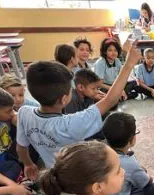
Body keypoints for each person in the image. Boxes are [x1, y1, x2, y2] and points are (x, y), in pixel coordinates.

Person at [16, 40, 142, 178]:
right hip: (79, 175)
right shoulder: (69, 124)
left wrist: (28, 164)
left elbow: (21, 147)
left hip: (55, 172)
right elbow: (110, 100)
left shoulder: (24, 112)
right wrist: (129, 64)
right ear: (64, 99)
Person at [102, 112, 154, 195]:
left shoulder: (99, 148)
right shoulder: (129, 163)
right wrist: (143, 171)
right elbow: (147, 182)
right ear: (132, 139)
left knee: (132, 181)